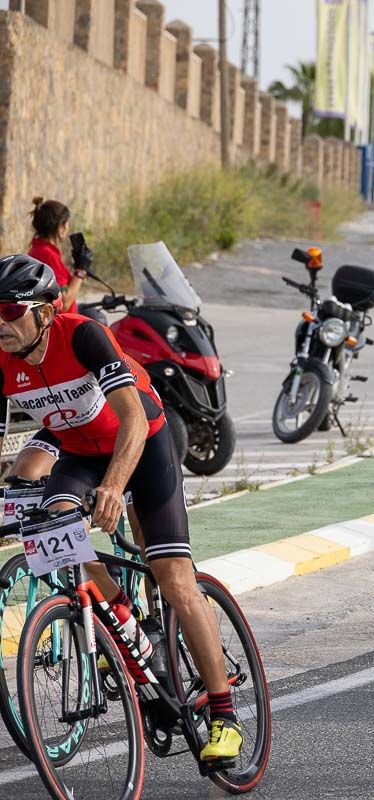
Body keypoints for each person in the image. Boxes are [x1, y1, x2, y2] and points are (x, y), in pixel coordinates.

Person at [0, 254, 244, 761]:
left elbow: (132, 418)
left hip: (144, 442)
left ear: (44, 313)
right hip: (78, 453)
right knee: (57, 538)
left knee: (174, 578)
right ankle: (124, 621)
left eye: (7, 311)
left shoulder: (84, 335)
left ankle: (225, 716)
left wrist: (114, 487)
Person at [27, 198, 86, 313]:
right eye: (67, 223)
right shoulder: (47, 255)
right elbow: (64, 302)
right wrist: (81, 272)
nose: (68, 228)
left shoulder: (40, 250)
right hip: (61, 327)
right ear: (60, 228)